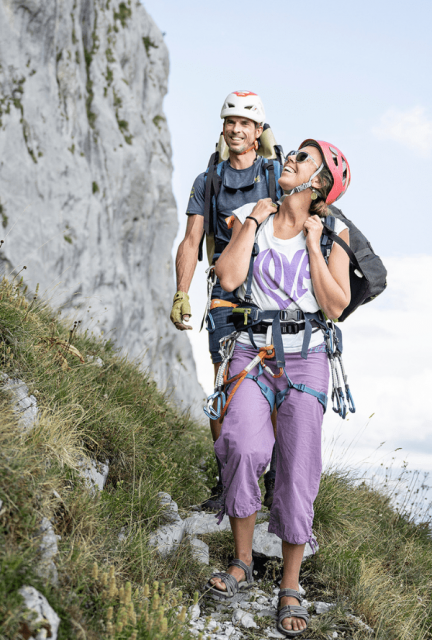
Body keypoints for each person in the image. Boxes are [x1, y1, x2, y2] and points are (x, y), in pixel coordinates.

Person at [204, 140, 352, 638]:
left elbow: (334, 306)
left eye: (305, 159)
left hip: (307, 359)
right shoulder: (254, 214)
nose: (291, 159)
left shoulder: (334, 233)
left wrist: (313, 244)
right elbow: (227, 275)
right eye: (295, 154)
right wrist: (252, 221)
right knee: (241, 445)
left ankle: (290, 585)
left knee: (297, 468)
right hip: (251, 352)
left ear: (322, 184)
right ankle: (243, 562)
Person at [171, 91, 281, 511]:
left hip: (271, 290)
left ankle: (271, 483)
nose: (236, 129)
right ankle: (227, 480)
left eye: (245, 124)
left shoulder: (274, 175)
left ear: (257, 133)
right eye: (230, 121)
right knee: (225, 385)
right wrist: (182, 291)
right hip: (224, 294)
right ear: (223, 128)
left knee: (273, 382)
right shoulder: (209, 180)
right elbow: (191, 241)